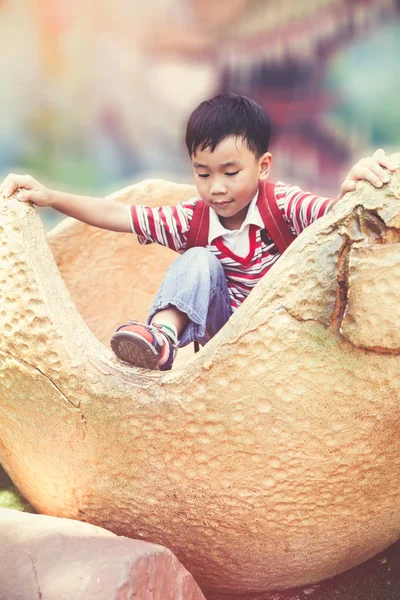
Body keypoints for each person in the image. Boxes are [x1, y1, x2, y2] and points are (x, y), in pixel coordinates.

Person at [0, 94, 396, 371]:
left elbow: (336, 218)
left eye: (230, 172)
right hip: (224, 339)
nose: (216, 187)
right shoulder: (193, 219)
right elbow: (117, 214)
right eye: (203, 173)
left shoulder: (283, 205)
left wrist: (355, 188)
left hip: (283, 333)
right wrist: (50, 196)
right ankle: (162, 341)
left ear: (263, 166)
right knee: (198, 258)